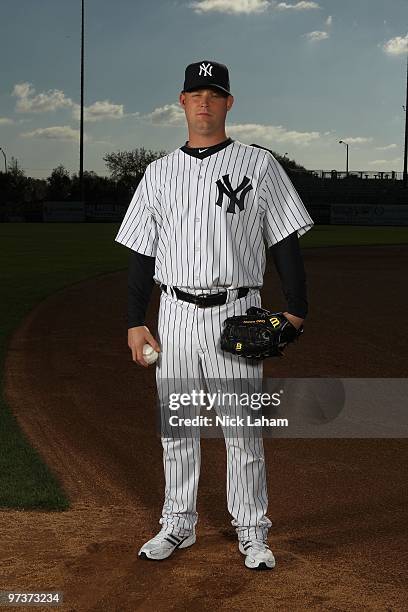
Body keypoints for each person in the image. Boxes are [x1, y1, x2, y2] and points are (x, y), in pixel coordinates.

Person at [115, 60, 314, 570]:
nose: (205, 101)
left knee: (242, 429)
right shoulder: (158, 172)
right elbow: (141, 250)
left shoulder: (260, 164)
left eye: (215, 93)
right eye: (195, 93)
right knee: (177, 427)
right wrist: (136, 319)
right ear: (181, 102)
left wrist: (296, 310)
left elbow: (284, 237)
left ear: (229, 103)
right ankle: (178, 524)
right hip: (175, 312)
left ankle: (252, 530)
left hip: (237, 311)